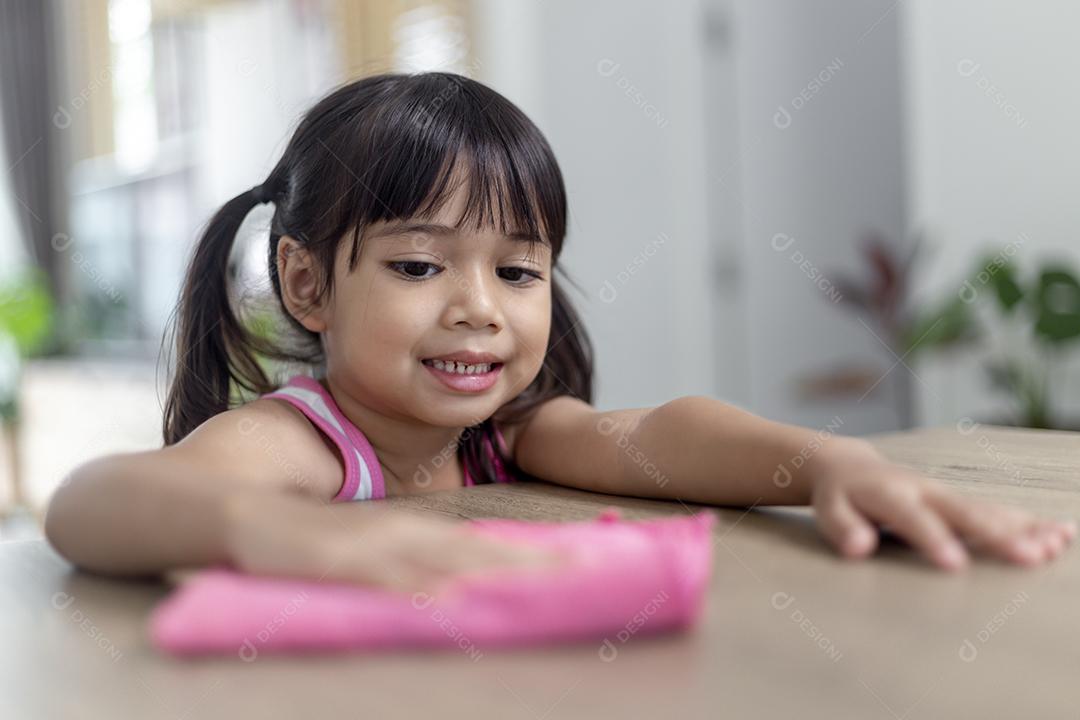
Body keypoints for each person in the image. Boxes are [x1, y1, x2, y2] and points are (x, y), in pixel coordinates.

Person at [45, 72, 1075, 595]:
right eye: (418, 266)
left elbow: (660, 437)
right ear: (307, 284)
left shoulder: (507, 435)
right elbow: (90, 504)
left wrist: (825, 464)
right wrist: (269, 531)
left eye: (517, 271)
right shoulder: (304, 445)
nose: (480, 308)